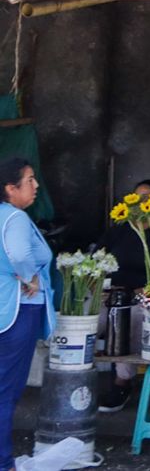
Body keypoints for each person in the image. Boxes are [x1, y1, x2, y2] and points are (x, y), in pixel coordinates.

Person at [96, 179, 150, 413]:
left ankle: (122, 382)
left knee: (128, 320)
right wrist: (99, 287)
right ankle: (77, 377)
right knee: (87, 320)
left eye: (146, 199)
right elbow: (97, 262)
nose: (140, 204)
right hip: (112, 295)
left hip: (143, 297)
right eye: (136, 198)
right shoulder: (119, 231)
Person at [0, 157, 54, 471]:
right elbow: (20, 254)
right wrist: (28, 275)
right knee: (6, 390)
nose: (35, 187)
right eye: (29, 180)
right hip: (17, 310)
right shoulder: (15, 218)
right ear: (10, 188)